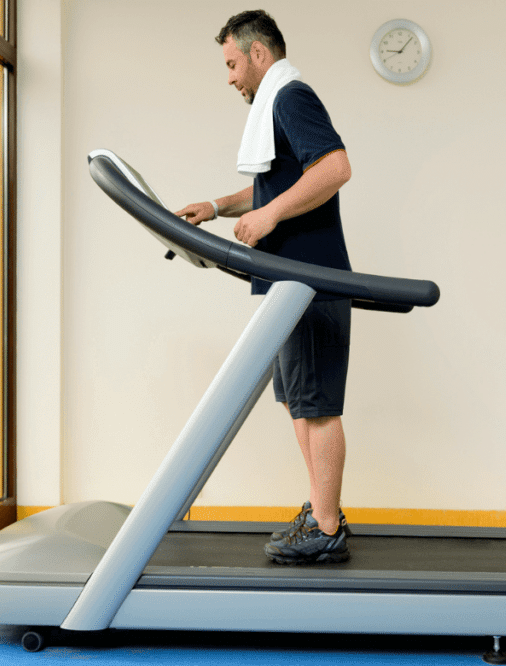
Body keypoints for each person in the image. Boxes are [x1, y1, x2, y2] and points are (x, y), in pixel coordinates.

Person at [175, 10, 354, 565]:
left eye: (232, 64)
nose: (230, 77)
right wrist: (216, 206)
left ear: (258, 54)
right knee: (300, 404)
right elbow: (274, 185)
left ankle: (326, 528)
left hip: (310, 283)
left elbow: (335, 168)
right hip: (287, 284)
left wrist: (271, 217)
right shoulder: (275, 106)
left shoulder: (290, 96)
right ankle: (322, 513)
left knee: (317, 407)